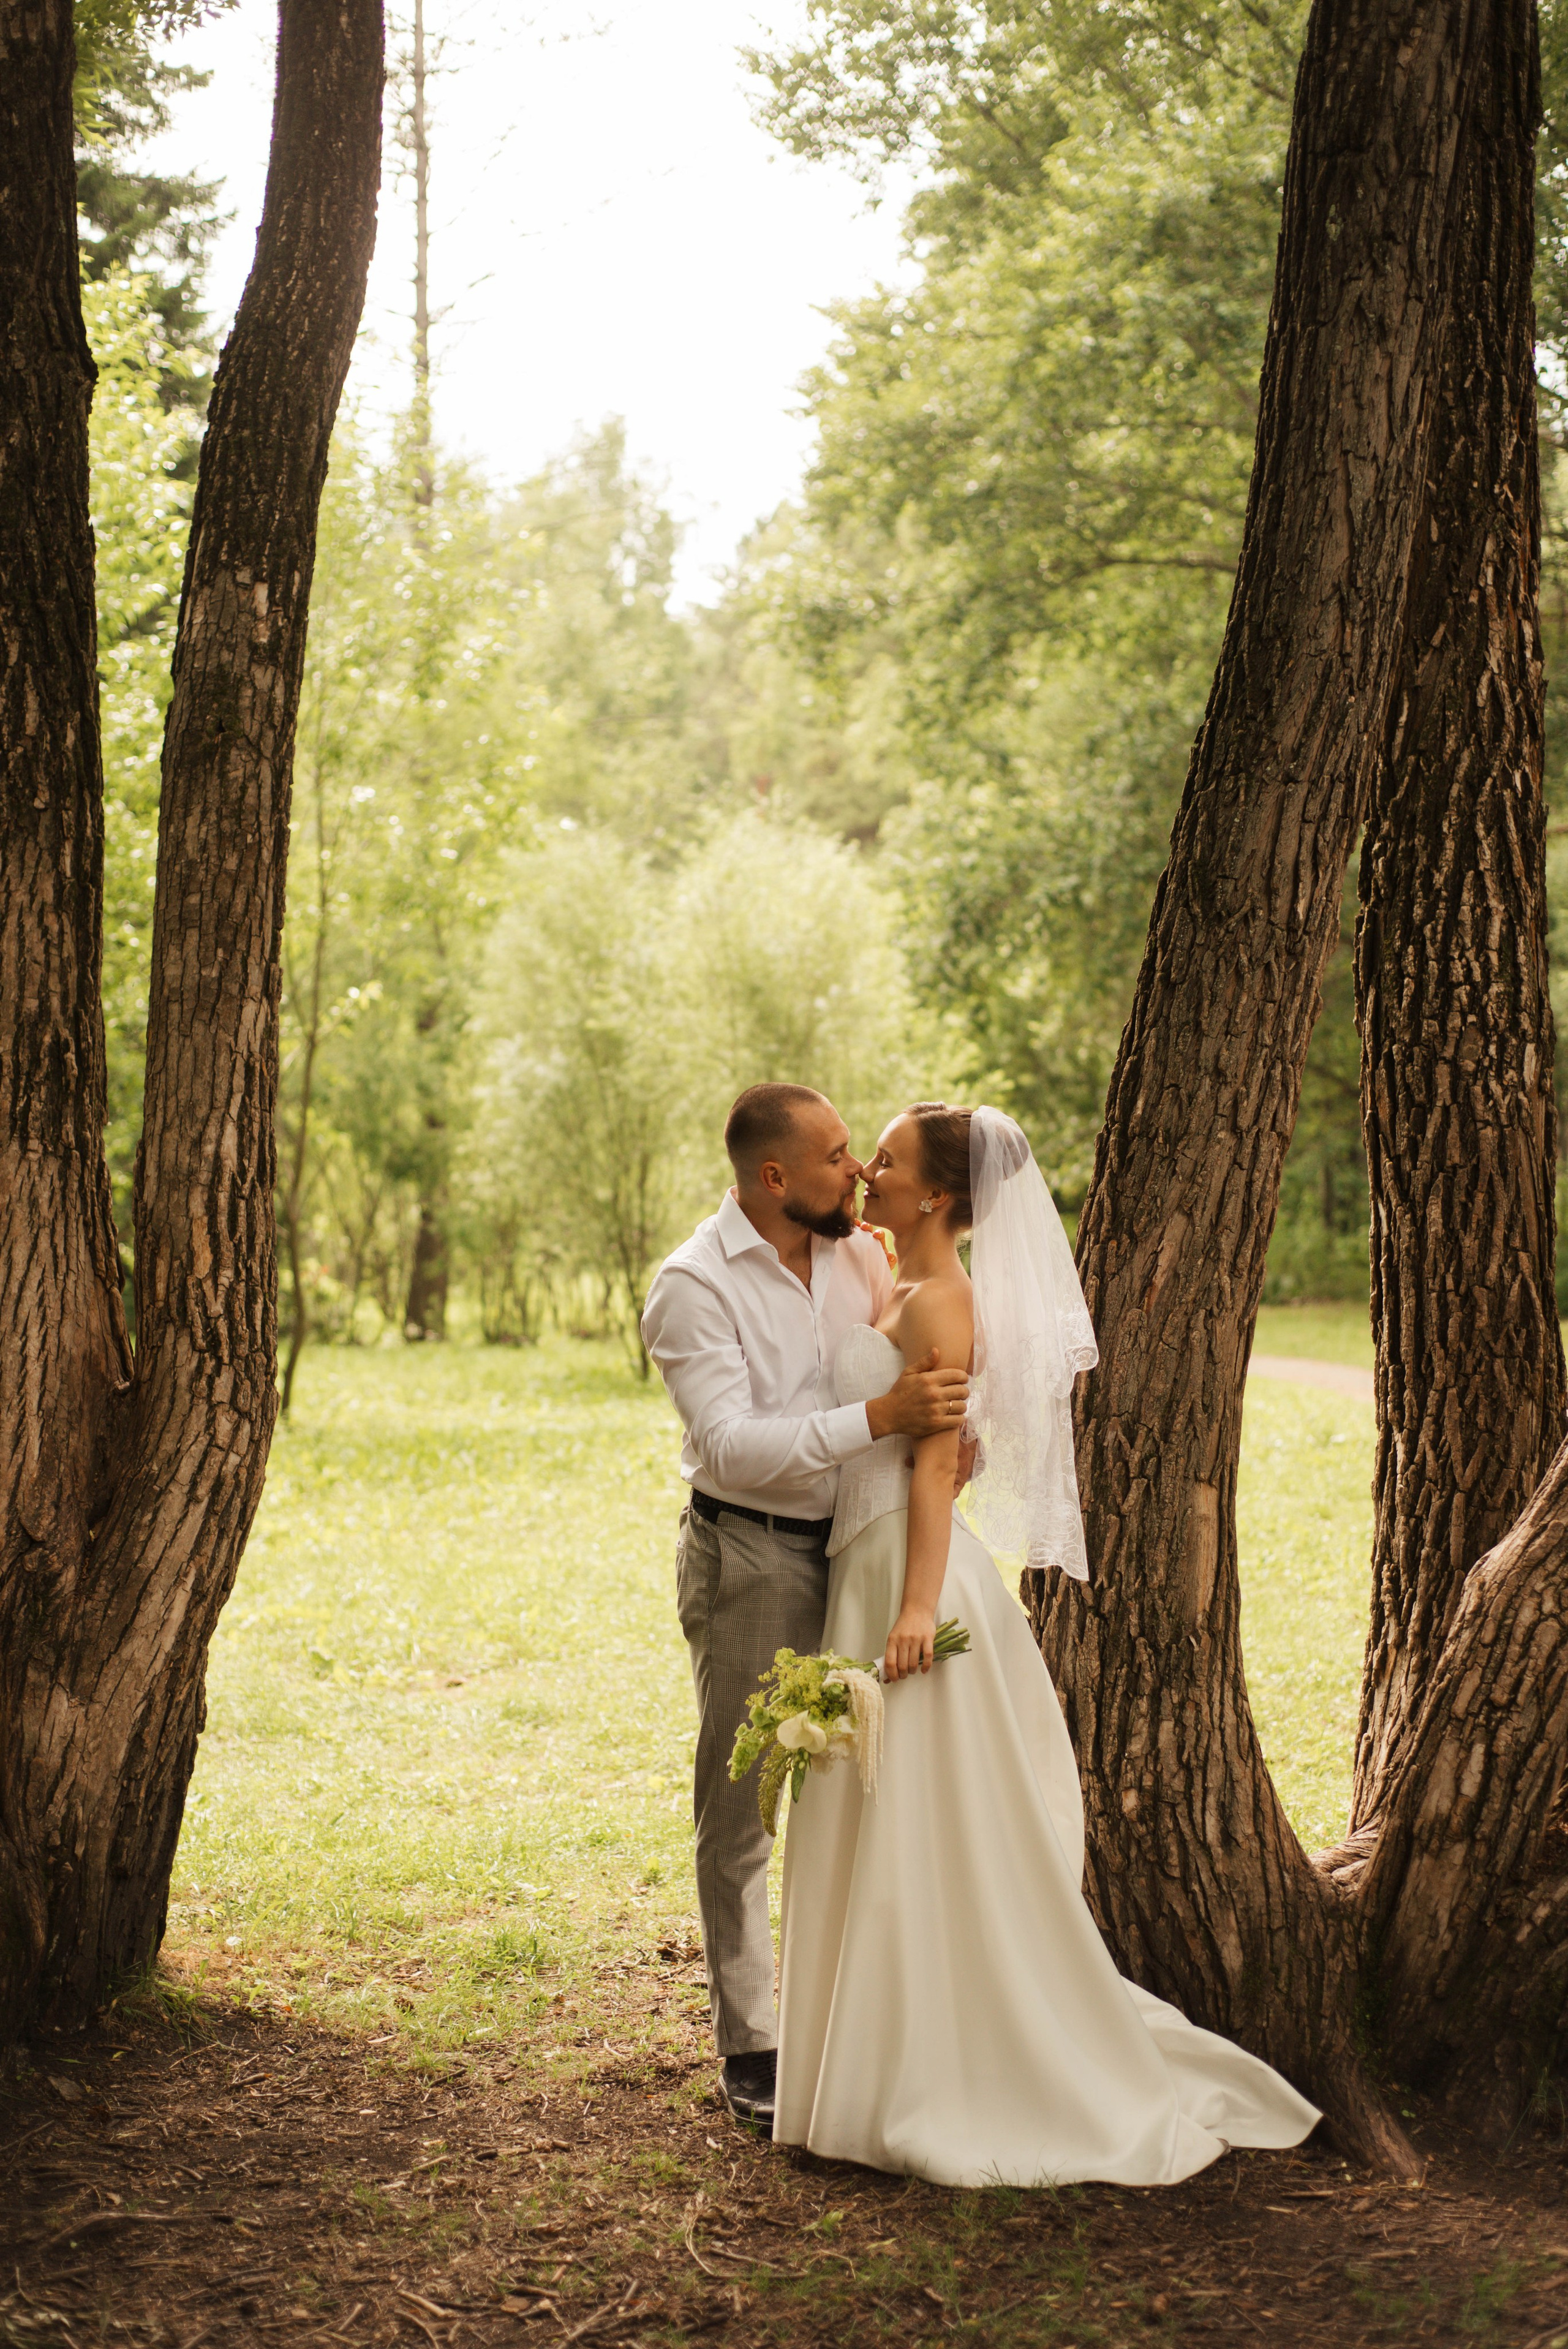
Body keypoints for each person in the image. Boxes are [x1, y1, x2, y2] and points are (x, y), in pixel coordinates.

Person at [772, 1101, 1321, 2185]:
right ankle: (859, 2060)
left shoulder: (945, 1305)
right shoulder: (905, 1288)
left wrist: (919, 1608)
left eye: (886, 1160)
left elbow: (933, 1470)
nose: (869, 1171)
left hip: (902, 1573)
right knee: (874, 1810)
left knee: (916, 1818)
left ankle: (924, 2069)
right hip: (863, 1560)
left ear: (935, 1195)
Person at [641, 1083, 971, 2132]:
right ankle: (753, 2042)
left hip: (863, 1556)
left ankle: (862, 2017)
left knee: (865, 1796)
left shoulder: (859, 1253)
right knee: (744, 1803)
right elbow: (731, 1446)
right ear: (774, 1177)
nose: (860, 1173)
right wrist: (880, 1415)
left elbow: (928, 1376)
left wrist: (951, 1436)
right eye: (838, 1156)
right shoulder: (692, 1287)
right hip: (754, 1558)